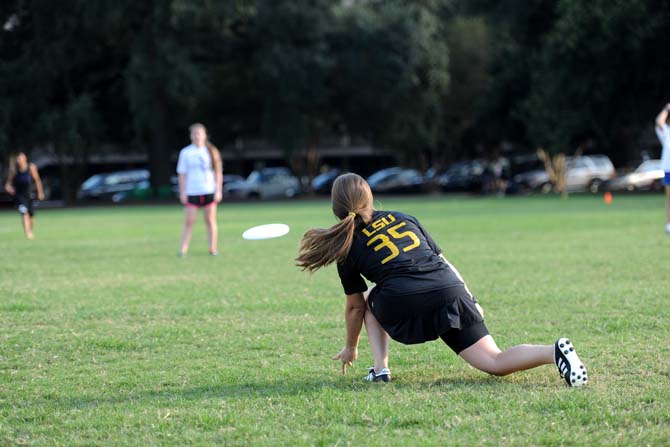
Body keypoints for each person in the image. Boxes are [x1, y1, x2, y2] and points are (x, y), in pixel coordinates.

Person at [296, 173, 588, 386]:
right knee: (495, 362)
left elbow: (355, 308)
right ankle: (554, 351)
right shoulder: (403, 217)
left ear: (336, 207)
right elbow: (444, 261)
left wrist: (351, 347)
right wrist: (470, 298)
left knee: (370, 298)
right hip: (449, 288)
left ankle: (381, 369)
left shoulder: (346, 245)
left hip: (404, 297)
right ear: (370, 196)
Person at [176, 123, 223, 256]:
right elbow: (182, 174)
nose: (197, 136)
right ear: (191, 136)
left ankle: (213, 248)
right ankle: (183, 249)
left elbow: (218, 172)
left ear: (204, 135)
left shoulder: (211, 151)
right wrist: (183, 192)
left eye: (199, 133)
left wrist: (218, 190)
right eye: (194, 133)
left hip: (208, 190)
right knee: (189, 222)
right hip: (192, 191)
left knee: (210, 220)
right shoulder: (186, 152)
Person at [4, 151, 45, 240]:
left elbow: (37, 180)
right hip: (19, 197)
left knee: (31, 216)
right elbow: (8, 185)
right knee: (24, 213)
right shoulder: (14, 170)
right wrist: (10, 189)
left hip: (30, 195)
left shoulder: (31, 168)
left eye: (21, 158)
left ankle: (30, 230)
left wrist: (40, 192)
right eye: (18, 158)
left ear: (25, 158)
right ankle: (27, 233)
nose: (19, 160)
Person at [654, 104, 670, 234]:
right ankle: (668, 225)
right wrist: (666, 109)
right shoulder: (666, 132)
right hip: (668, 169)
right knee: (669, 198)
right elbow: (659, 121)